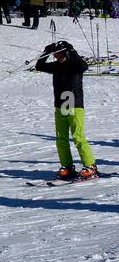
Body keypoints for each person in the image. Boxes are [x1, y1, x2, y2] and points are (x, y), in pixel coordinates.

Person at [35, 41, 98, 181]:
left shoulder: (75, 65)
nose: (57, 57)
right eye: (55, 55)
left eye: (58, 54)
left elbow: (84, 66)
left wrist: (72, 49)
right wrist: (46, 51)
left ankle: (90, 166)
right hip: (60, 105)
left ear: (65, 53)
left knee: (78, 137)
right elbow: (39, 66)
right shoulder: (56, 66)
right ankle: (67, 166)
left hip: (75, 105)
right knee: (61, 138)